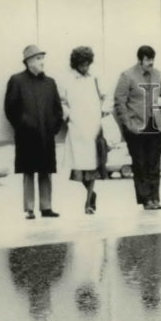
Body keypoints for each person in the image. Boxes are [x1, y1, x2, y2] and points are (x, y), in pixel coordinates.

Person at [4, 45, 64, 219]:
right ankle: (29, 208)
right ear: (29, 61)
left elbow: (57, 109)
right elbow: (10, 108)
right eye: (38, 58)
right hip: (27, 136)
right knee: (28, 171)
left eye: (42, 58)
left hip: (46, 134)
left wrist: (53, 127)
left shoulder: (50, 82)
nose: (42, 62)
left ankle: (46, 207)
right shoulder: (17, 80)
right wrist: (23, 125)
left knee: (46, 171)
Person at [113, 45, 161, 211]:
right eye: (147, 60)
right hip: (136, 127)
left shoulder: (158, 75)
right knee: (140, 163)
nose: (151, 63)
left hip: (155, 126)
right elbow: (119, 101)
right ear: (140, 60)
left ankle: (155, 198)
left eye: (152, 59)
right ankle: (146, 200)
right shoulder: (127, 75)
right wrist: (128, 124)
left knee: (154, 163)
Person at [61, 46, 107, 214]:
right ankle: (90, 194)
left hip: (93, 128)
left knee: (92, 166)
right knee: (79, 166)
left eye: (87, 64)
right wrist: (68, 116)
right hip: (76, 129)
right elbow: (62, 102)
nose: (85, 67)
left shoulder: (95, 78)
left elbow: (105, 97)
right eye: (81, 64)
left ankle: (88, 203)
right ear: (76, 64)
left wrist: (101, 113)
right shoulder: (68, 80)